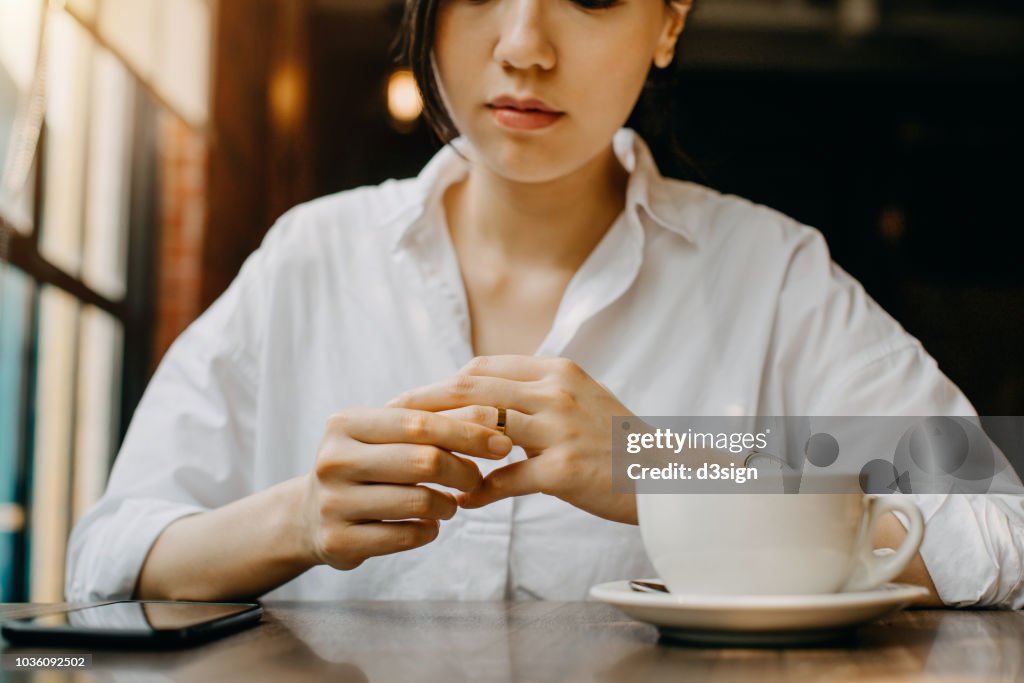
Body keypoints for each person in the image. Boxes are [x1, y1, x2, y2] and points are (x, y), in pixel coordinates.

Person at [67, 0, 1023, 608]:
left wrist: (663, 460)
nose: (524, 46)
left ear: (669, 22)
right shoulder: (310, 259)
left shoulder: (770, 274)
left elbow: (1001, 518)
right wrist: (300, 522)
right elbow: (107, 556)